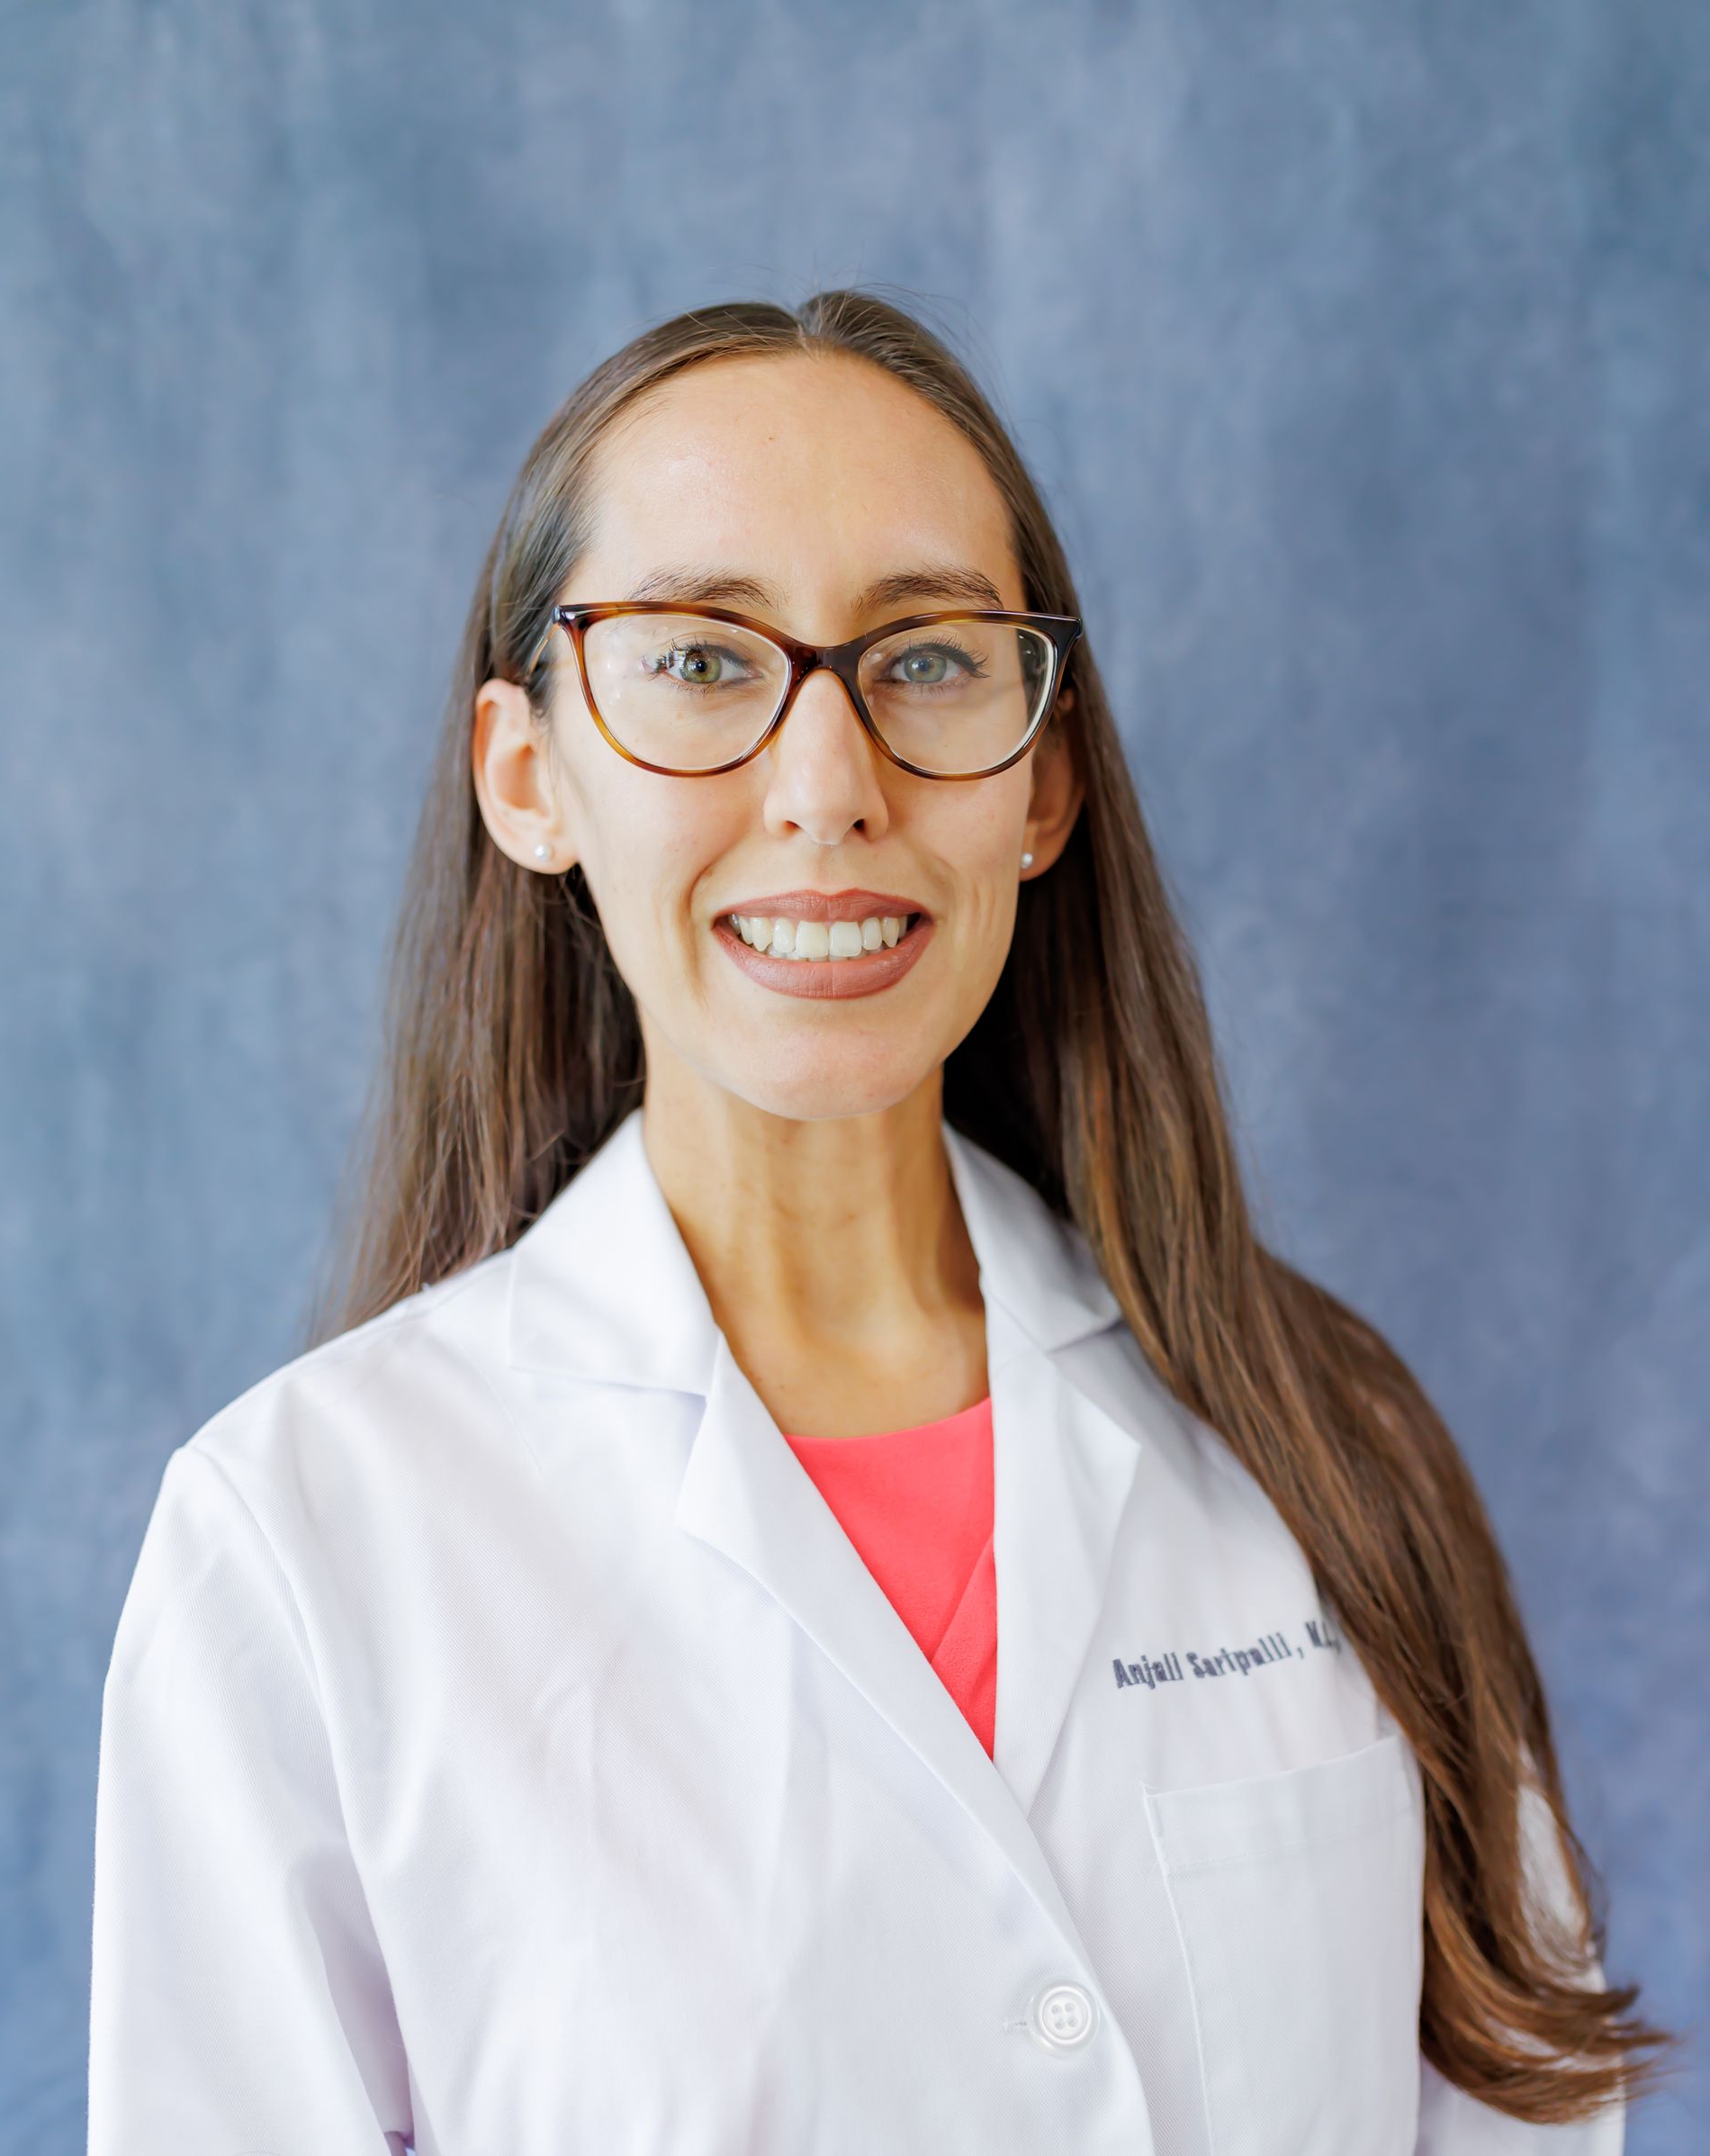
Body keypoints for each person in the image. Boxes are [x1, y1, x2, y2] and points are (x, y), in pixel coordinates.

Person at [87, 290, 1675, 2155]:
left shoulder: (1333, 1441)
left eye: (926, 661)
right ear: (529, 779)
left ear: (1043, 781)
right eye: (698, 660)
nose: (828, 789)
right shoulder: (300, 1546)